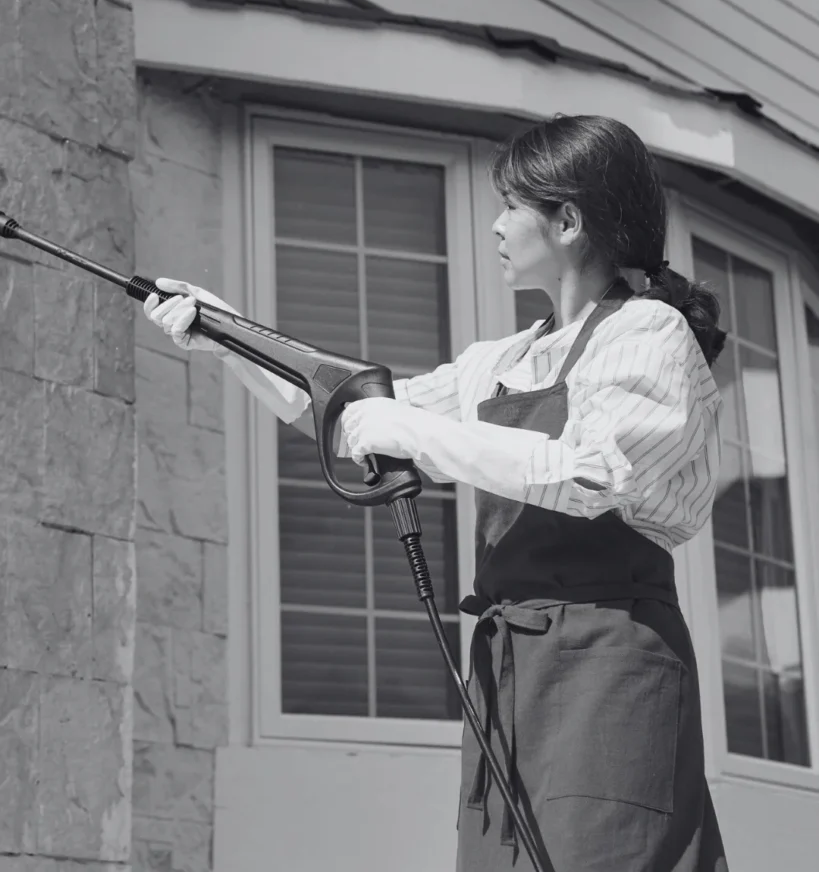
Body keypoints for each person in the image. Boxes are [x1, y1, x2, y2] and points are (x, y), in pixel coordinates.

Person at [143, 114, 729, 871]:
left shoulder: (648, 334)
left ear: (568, 221)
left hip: (609, 664)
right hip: (506, 669)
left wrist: (410, 431)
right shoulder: (501, 358)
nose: (494, 224)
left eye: (511, 205)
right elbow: (351, 412)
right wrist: (223, 333)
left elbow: (586, 473)